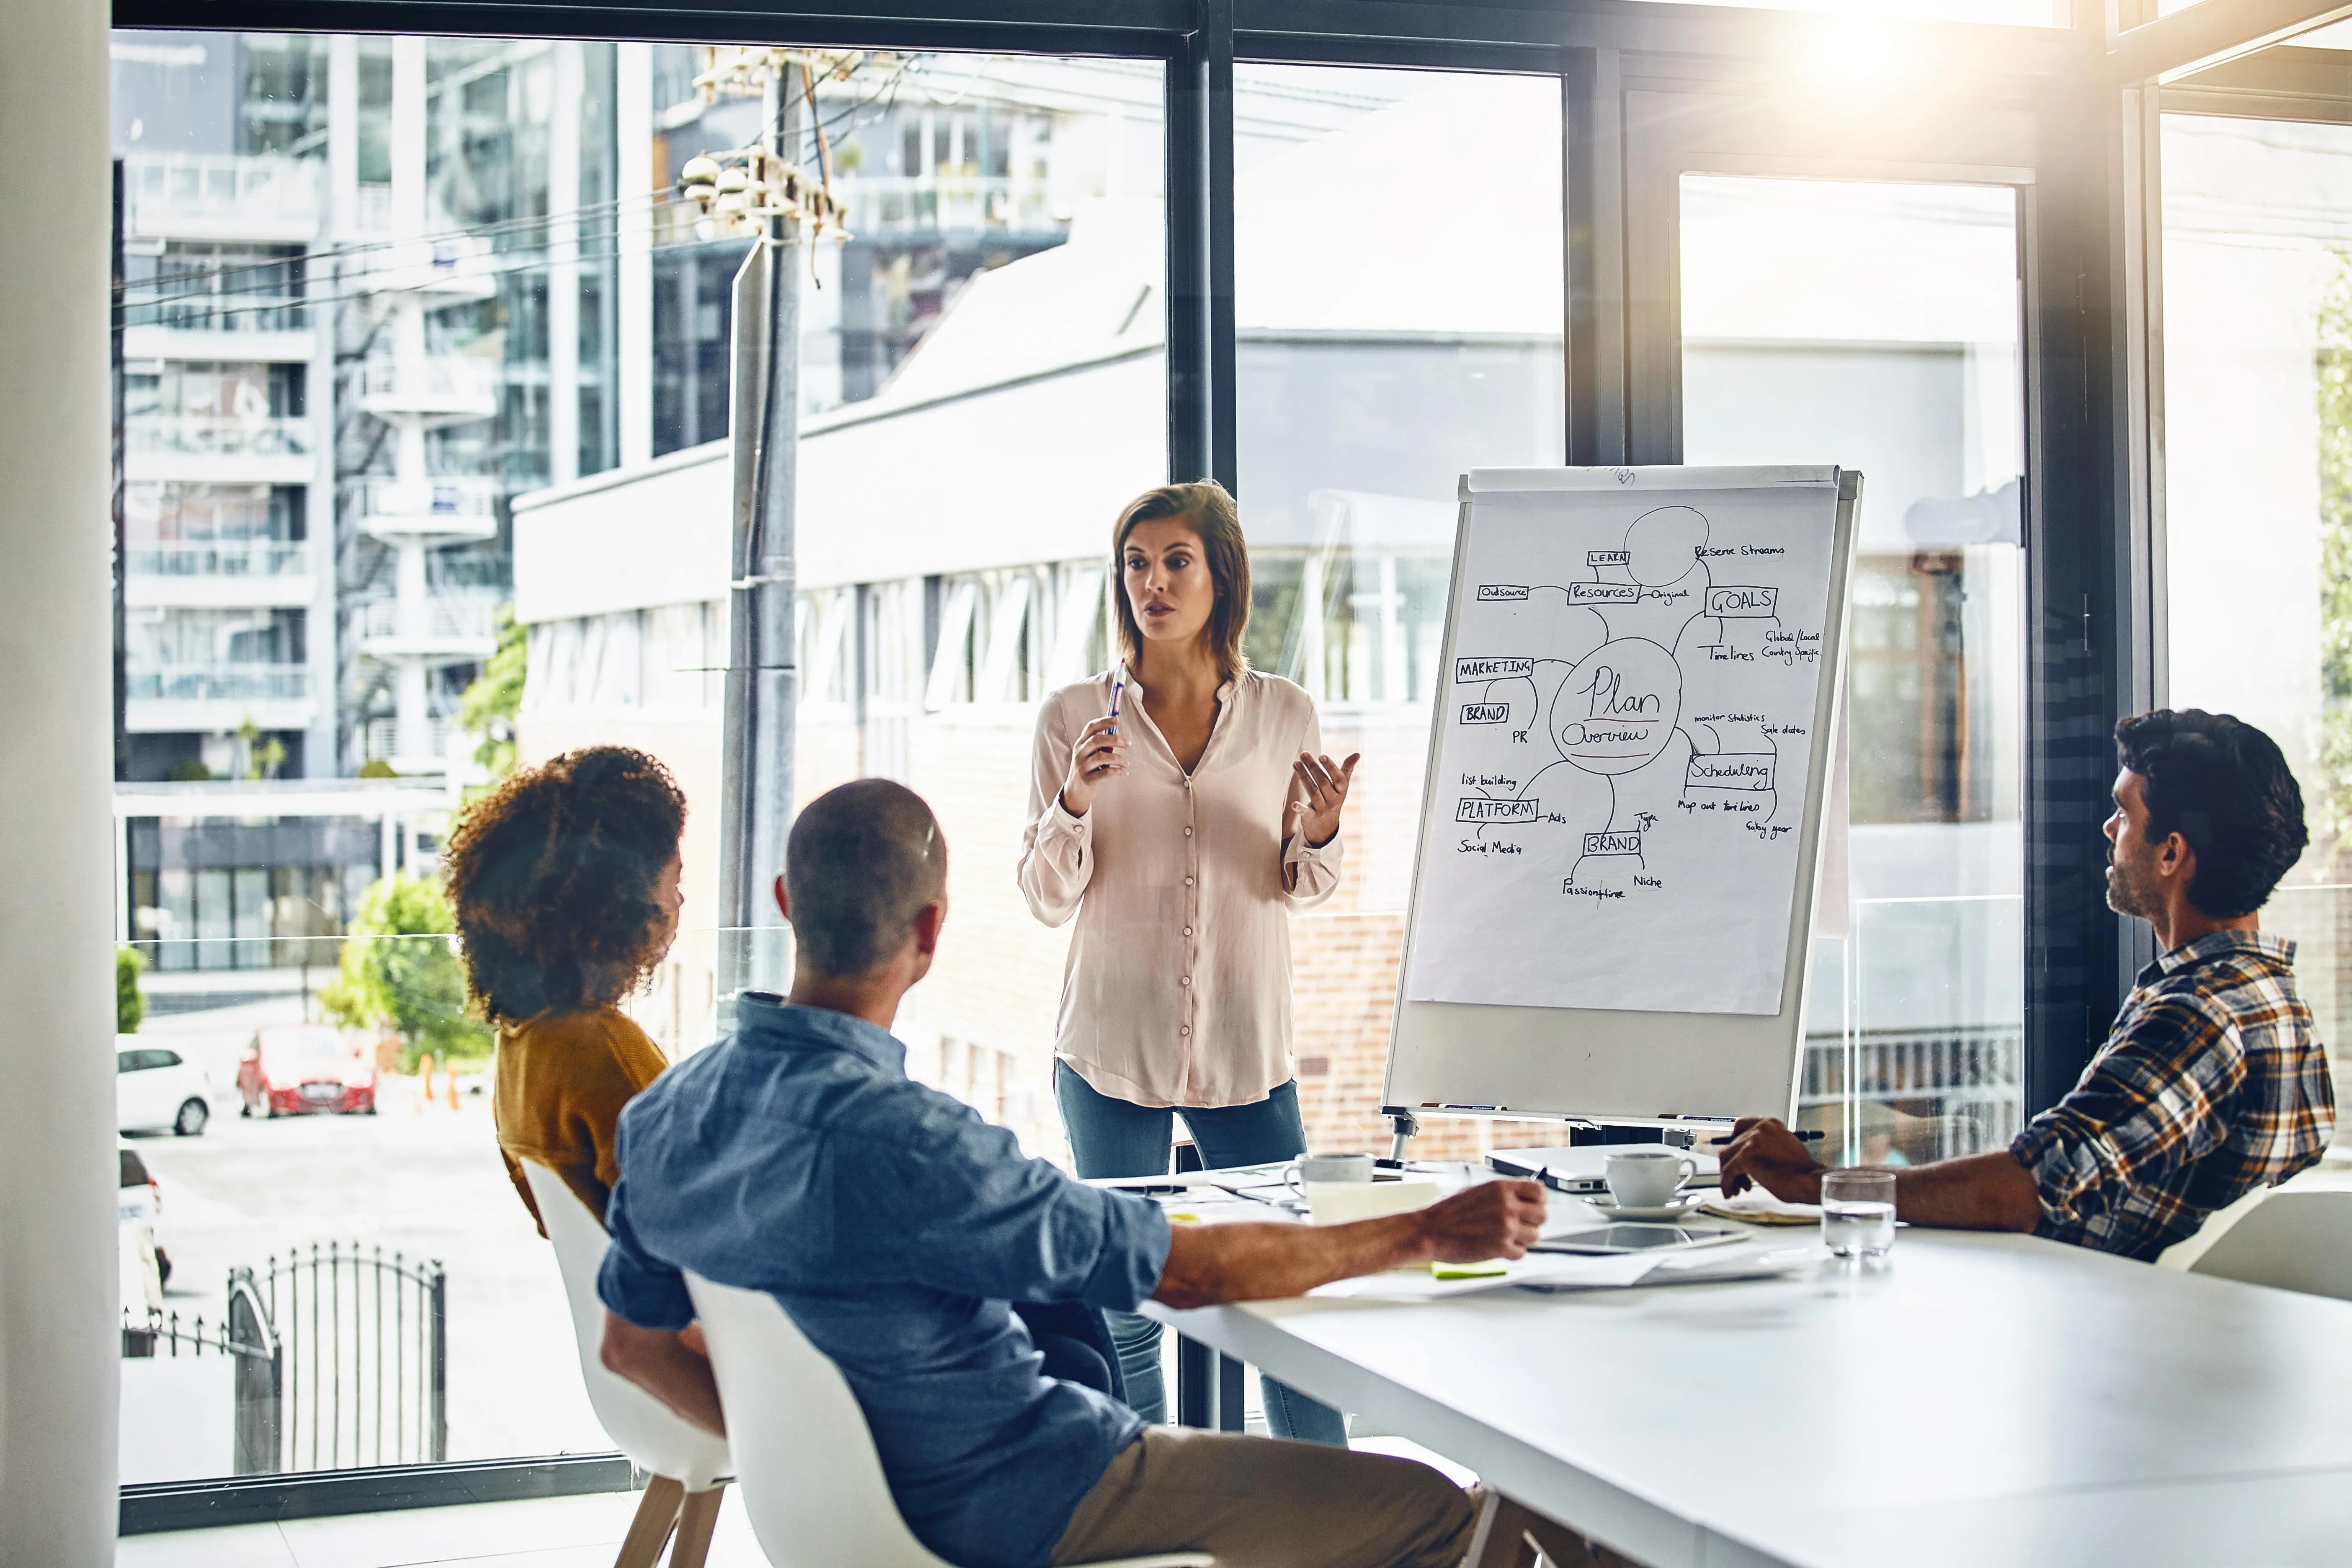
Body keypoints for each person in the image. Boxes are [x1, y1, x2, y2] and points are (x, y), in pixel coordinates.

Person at [593, 779, 1565, 1568]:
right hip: (1036, 1496)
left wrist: (807, 1458)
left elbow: (632, 1345)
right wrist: (1425, 1231)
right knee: (1438, 1509)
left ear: (786, 904)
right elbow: (1190, 1273)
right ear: (931, 931)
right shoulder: (918, 1142)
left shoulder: (664, 1116)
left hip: (837, 1522)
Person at [1716, 709, 2337, 1260]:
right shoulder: (2271, 997)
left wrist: (1817, 1183)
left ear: (2171, 853)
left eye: (2124, 813)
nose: (2107, 829)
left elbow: (2029, 1188)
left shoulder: (2199, 1015)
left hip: (2105, 1321)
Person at [1018, 479, 1360, 1442]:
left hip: (1246, 1048)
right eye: (1136, 562)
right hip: (1109, 1045)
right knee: (1126, 1313)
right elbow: (1045, 896)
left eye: (1176, 561)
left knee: (1283, 1294)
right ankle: (1151, 1504)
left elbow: (1301, 882)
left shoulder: (1284, 712)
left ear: (1221, 577)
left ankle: (1331, 1516)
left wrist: (1321, 828)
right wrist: (1074, 799)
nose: (1153, 582)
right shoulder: (1071, 716)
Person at [442, 745, 688, 1231]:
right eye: (673, 879)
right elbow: (697, 1230)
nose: (680, 899)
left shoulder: (524, 1042)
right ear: (623, 905)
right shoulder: (605, 1054)